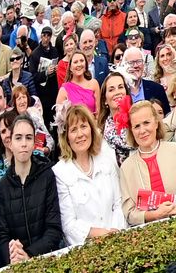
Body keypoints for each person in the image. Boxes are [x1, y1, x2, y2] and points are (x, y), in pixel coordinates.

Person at [52, 104, 126, 247]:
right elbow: (69, 224)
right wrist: (102, 234)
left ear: (91, 129)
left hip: (118, 241)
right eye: (73, 129)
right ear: (66, 137)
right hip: (86, 250)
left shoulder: (106, 160)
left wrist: (116, 233)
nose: (80, 134)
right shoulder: (60, 172)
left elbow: (118, 203)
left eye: (83, 126)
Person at [0, 114, 63, 265]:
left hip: (48, 260)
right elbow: (3, 235)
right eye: (18, 138)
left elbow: (54, 228)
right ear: (10, 143)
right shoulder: (3, 187)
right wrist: (13, 254)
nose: (24, 143)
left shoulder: (47, 175)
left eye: (28, 137)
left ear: (34, 143)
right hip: (17, 265)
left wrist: (29, 254)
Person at [119, 100, 176, 226]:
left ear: (156, 123)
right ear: (131, 131)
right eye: (137, 126)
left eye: (146, 123)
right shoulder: (126, 167)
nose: (142, 131)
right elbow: (129, 213)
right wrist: (155, 215)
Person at [98, 71, 136, 166]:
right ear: (105, 100)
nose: (117, 92)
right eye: (111, 90)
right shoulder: (98, 132)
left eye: (120, 87)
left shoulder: (138, 122)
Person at [122, 47, 170, 114]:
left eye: (139, 61)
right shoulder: (120, 91)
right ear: (124, 65)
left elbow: (166, 116)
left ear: (144, 64)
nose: (135, 66)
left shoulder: (157, 89)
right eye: (131, 62)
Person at [10, 84, 52, 155]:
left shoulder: (34, 115)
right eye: (19, 99)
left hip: (37, 155)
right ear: (14, 102)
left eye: (24, 97)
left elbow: (50, 139)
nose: (22, 101)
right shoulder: (11, 120)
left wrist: (46, 149)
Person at [55, 50, 100, 115]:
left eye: (81, 61)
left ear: (86, 64)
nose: (79, 64)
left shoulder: (94, 84)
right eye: (75, 62)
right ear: (70, 67)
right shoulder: (64, 90)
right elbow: (60, 119)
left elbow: (98, 113)